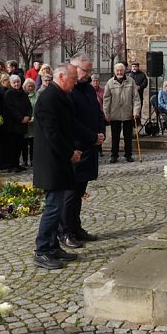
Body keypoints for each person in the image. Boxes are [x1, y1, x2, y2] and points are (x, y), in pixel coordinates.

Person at [32, 63, 82, 270]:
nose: (74, 84)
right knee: (53, 207)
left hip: (58, 160)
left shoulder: (59, 96)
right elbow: (53, 133)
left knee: (57, 205)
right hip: (51, 161)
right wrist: (69, 152)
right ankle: (42, 249)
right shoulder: (48, 98)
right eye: (72, 80)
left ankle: (52, 246)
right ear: (61, 77)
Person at [60, 55, 105, 249]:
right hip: (77, 146)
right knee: (70, 193)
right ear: (75, 69)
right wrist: (92, 136)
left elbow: (96, 112)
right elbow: (73, 122)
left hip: (91, 145)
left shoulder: (87, 88)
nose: (89, 74)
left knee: (80, 192)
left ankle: (76, 227)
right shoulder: (70, 91)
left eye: (90, 71)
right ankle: (65, 231)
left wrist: (101, 131)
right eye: (86, 70)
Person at [102, 62, 141, 163]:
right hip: (114, 114)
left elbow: (136, 98)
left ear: (124, 71)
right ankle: (114, 155)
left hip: (128, 113)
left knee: (128, 136)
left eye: (121, 70)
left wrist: (136, 111)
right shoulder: (110, 83)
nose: (119, 72)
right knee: (115, 136)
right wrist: (107, 114)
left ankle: (128, 154)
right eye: (117, 71)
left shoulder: (130, 81)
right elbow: (106, 100)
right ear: (115, 72)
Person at [2, 74, 32, 172]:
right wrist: (21, 118)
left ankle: (17, 164)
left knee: (19, 145)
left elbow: (29, 106)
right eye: (14, 82)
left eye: (18, 82)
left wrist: (28, 116)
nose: (16, 84)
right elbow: (10, 109)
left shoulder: (23, 93)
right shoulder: (8, 94)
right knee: (12, 146)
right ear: (10, 83)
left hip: (22, 124)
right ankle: (12, 165)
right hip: (12, 124)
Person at [23, 78, 37, 167]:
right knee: (24, 143)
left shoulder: (37, 95)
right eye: (29, 86)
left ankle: (32, 159)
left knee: (33, 143)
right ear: (25, 87)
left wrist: (34, 118)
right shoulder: (22, 95)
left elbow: (40, 108)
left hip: (34, 122)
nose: (30, 88)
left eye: (32, 86)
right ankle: (24, 160)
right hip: (24, 122)